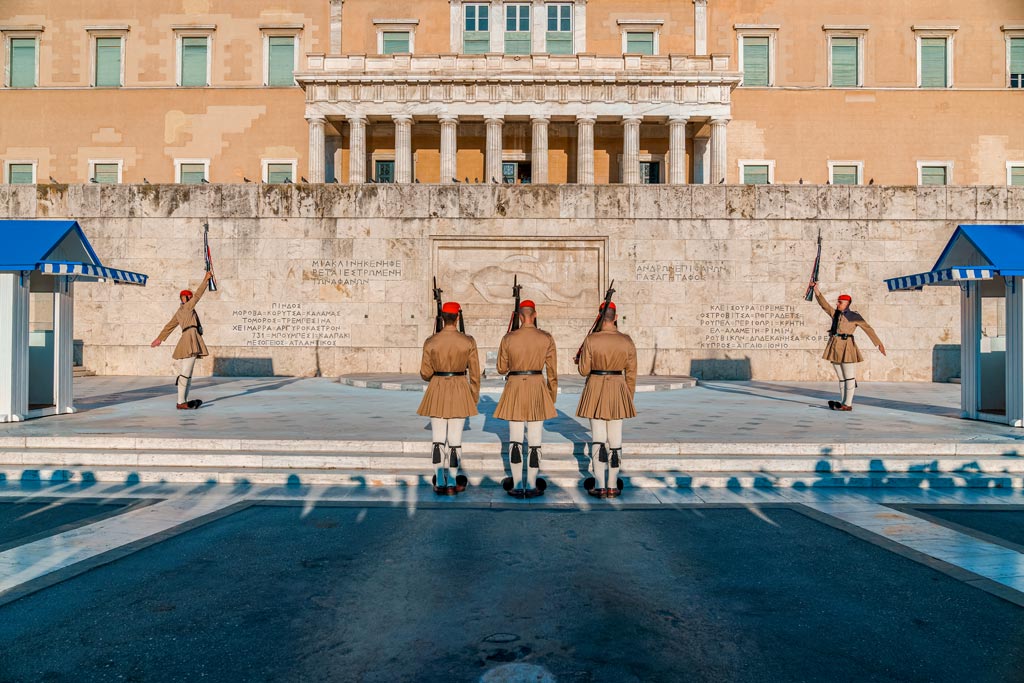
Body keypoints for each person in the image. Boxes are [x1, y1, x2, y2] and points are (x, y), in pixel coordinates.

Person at [494, 300, 558, 498]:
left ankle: (517, 483)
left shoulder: (509, 338)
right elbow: (552, 371)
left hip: (514, 386)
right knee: (535, 440)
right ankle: (531, 484)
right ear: (535, 314)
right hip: (537, 385)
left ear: (520, 317)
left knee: (515, 440)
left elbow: (501, 368)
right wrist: (551, 396)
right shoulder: (546, 338)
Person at [416, 301, 481, 496]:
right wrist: (473, 397)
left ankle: (439, 480)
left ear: (442, 318)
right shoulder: (468, 341)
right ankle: (452, 481)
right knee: (455, 441)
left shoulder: (431, 341)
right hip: (460, 387)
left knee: (437, 440)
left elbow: (425, 373)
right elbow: (475, 374)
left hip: (437, 388)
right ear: (457, 318)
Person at [576, 301, 637, 498]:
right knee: (616, 439)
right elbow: (631, 373)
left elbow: (583, 370)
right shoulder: (626, 341)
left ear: (600, 317)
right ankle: (612, 485)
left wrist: (581, 360)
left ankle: (600, 484)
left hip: (596, 386)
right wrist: (627, 397)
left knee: (598, 439)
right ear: (616, 317)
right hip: (618, 387)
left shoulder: (592, 340)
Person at [810, 281, 886, 411]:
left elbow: (868, 329)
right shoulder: (836, 314)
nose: (837, 304)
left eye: (840, 302)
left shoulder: (854, 316)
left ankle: (848, 404)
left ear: (847, 304)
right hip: (834, 346)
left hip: (847, 347)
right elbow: (824, 305)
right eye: (838, 302)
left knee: (849, 376)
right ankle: (843, 402)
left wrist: (878, 343)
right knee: (841, 377)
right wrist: (816, 290)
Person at [151, 271, 214, 410]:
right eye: (185, 297)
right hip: (190, 338)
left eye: (185, 297)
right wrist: (205, 280)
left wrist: (159, 339)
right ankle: (180, 402)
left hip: (187, 337)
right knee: (186, 372)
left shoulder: (180, 311)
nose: (186, 298)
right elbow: (198, 295)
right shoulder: (188, 307)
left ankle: (183, 400)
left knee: (188, 372)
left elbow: (170, 326)